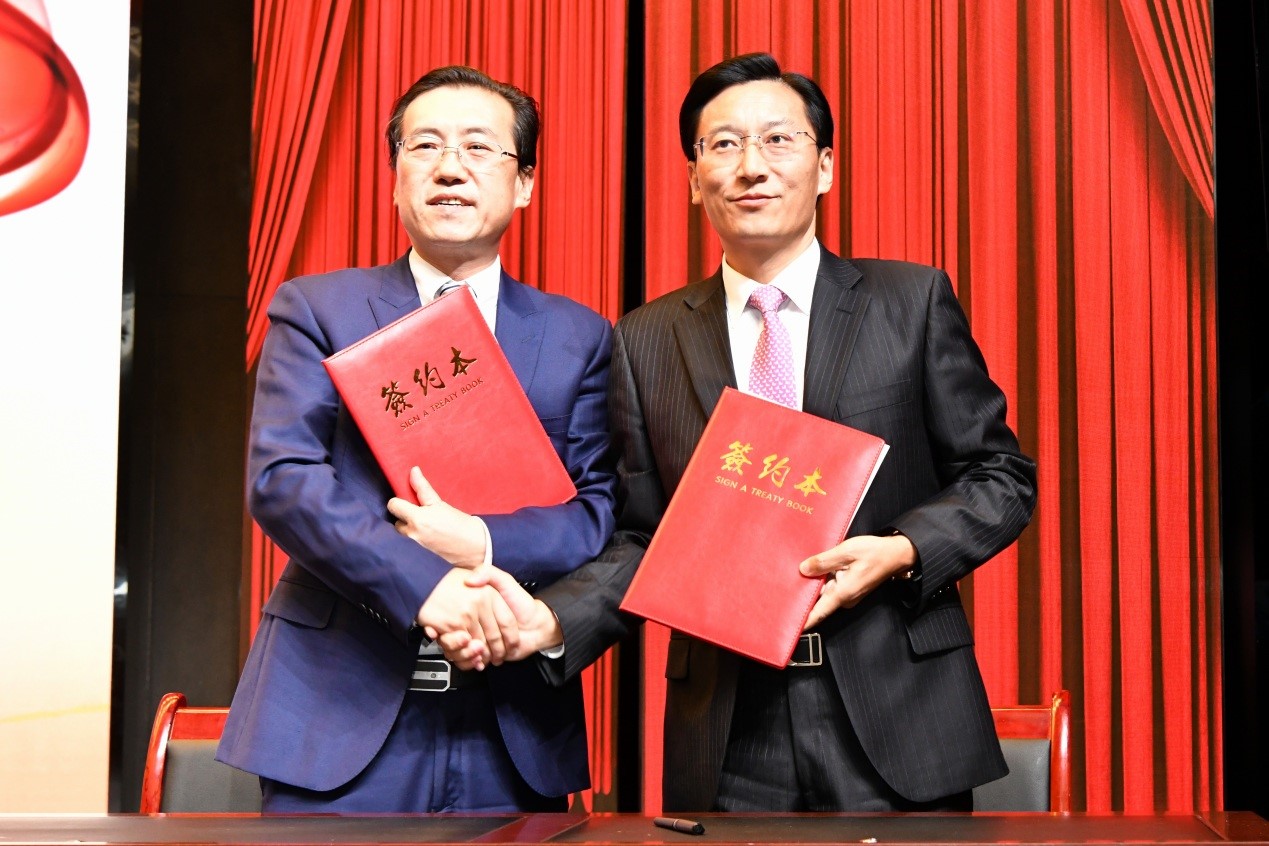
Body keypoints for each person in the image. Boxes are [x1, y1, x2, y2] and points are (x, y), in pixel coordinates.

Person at [447, 53, 1037, 812]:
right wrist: (554, 620)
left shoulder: (910, 301)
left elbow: (999, 477)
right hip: (728, 728)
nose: (751, 165)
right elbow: (642, 536)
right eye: (722, 144)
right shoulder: (645, 339)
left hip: (899, 706)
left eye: (778, 140)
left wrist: (900, 550)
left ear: (825, 167)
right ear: (694, 179)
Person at [216, 66, 617, 813]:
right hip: (337, 710)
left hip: (511, 720)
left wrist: (482, 543)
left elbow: (596, 512)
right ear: (396, 180)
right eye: (424, 146)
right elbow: (285, 479)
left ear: (525, 184)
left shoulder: (579, 337)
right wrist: (426, 583)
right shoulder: (318, 308)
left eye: (478, 147)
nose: (449, 167)